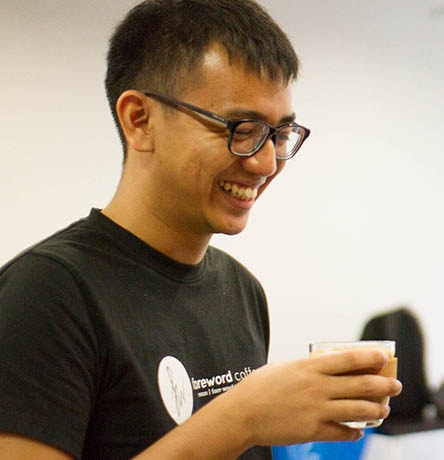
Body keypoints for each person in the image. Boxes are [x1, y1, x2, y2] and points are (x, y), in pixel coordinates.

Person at [0, 1, 401, 459]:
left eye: (278, 134)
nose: (265, 163)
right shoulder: (46, 296)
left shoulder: (241, 291)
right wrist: (241, 418)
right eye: (241, 128)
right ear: (140, 120)